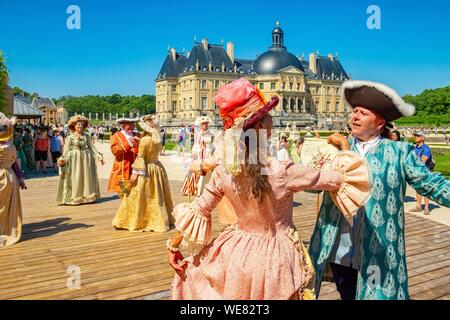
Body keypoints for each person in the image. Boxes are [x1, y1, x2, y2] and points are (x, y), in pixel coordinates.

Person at [166, 78, 370, 300]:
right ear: (261, 126)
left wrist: (173, 245)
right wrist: (346, 148)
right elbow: (341, 179)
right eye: (269, 116)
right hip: (277, 256)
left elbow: (200, 208)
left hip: (237, 252)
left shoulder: (224, 170)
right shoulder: (284, 170)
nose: (273, 120)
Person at [308, 80, 450, 300]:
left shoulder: (400, 152)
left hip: (380, 251)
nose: (354, 116)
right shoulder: (333, 150)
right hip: (340, 248)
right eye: (354, 111)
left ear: (380, 122)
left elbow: (432, 184)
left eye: (362, 113)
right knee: (346, 293)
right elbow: (312, 184)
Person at [112, 115, 174, 232]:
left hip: (145, 168)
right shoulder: (157, 137)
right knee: (156, 196)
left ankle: (136, 221)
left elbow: (140, 158)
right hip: (156, 167)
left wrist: (134, 174)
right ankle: (159, 219)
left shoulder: (144, 140)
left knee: (138, 195)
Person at [56, 115, 104, 205]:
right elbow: (66, 150)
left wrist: (99, 157)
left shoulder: (87, 136)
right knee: (76, 177)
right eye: (79, 124)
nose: (80, 126)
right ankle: (75, 198)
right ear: (74, 126)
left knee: (86, 177)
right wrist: (62, 159)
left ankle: (87, 197)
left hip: (86, 159)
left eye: (82, 125)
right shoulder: (70, 137)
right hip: (74, 159)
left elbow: (92, 147)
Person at [0, 113, 26, 248]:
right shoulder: (9, 145)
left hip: (9, 179)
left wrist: (20, 178)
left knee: (7, 207)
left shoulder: (10, 145)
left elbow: (14, 163)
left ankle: (4, 229)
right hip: (8, 177)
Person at [181, 116, 214, 197]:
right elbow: (196, 145)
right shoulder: (198, 134)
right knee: (197, 171)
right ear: (200, 125)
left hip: (208, 154)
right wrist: (195, 154)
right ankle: (197, 190)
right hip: (200, 154)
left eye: (206, 123)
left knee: (208, 173)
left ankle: (206, 190)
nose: (205, 125)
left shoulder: (211, 134)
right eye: (203, 124)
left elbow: (212, 145)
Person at [107, 117, 140, 198]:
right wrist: (129, 143)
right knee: (124, 194)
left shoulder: (138, 135)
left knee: (136, 194)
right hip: (122, 171)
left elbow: (142, 151)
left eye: (133, 125)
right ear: (123, 126)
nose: (131, 127)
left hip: (136, 170)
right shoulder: (116, 136)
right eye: (129, 125)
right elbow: (115, 151)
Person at [409, 131, 434, 215]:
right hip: (417, 172)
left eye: (418, 135)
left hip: (425, 171)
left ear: (423, 138)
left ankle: (426, 207)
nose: (416, 137)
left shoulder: (426, 148)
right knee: (418, 189)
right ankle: (418, 206)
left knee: (426, 189)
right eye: (415, 135)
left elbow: (423, 161)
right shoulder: (414, 148)